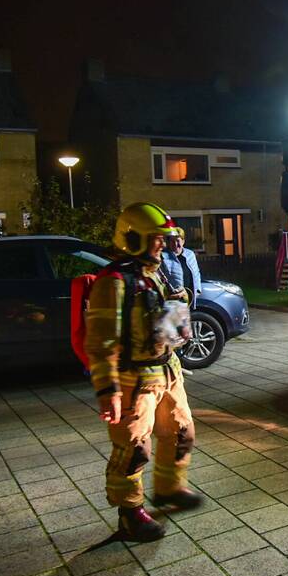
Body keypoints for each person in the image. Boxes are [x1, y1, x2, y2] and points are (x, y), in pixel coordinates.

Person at [85, 202, 203, 541]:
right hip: (133, 380)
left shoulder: (156, 274)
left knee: (181, 432)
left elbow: (169, 321)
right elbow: (102, 341)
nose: (161, 245)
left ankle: (169, 488)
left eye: (163, 239)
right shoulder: (113, 282)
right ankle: (130, 513)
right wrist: (108, 391)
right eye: (155, 239)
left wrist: (177, 319)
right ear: (133, 238)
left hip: (168, 370)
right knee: (134, 448)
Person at [164, 227, 202, 302]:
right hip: (173, 300)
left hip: (189, 298)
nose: (175, 244)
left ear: (183, 241)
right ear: (168, 242)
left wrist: (198, 290)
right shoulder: (163, 256)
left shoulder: (190, 254)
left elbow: (196, 273)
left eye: (178, 241)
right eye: (172, 241)